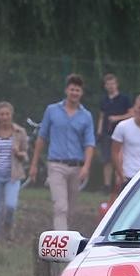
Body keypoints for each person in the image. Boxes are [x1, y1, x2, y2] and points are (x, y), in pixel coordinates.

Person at [28, 73, 95, 231]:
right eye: (72, 89)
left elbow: (90, 144)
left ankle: (66, 237)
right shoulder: (52, 110)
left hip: (76, 167)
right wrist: (34, 164)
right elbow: (42, 137)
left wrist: (86, 166)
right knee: (60, 206)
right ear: (66, 90)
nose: (74, 93)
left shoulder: (86, 116)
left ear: (81, 93)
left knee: (71, 209)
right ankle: (60, 242)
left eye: (77, 90)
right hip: (56, 165)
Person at [0, 101, 29, 240]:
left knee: (11, 206)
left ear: (11, 115)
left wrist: (19, 153)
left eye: (7, 114)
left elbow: (25, 154)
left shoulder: (20, 132)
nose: (4, 117)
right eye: (1, 114)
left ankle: (7, 230)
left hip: (13, 175)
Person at [95, 72, 132, 187]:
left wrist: (117, 118)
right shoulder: (104, 100)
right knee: (107, 160)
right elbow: (101, 116)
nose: (111, 86)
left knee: (120, 159)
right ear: (105, 86)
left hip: (121, 134)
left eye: (113, 83)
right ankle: (106, 185)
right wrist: (99, 131)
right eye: (108, 84)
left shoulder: (124, 99)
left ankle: (120, 182)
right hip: (107, 133)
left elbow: (131, 114)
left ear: (117, 84)